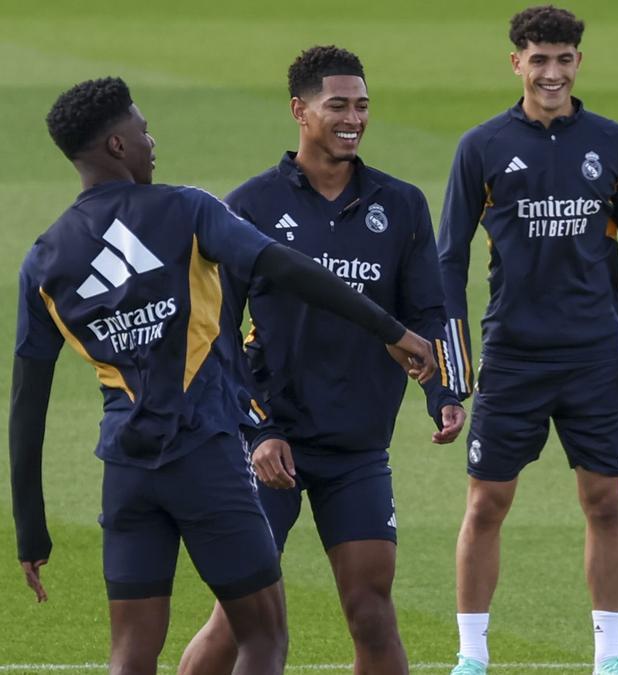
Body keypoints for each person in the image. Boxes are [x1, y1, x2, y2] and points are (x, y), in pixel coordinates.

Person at [9, 77, 435, 675]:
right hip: (205, 457)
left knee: (130, 654)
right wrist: (392, 330)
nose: (151, 140)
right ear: (115, 145)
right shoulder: (186, 210)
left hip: (127, 472)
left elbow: (27, 407)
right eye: (142, 129)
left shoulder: (43, 259)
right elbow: (290, 270)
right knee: (262, 637)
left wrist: (31, 532)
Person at [176, 46, 465, 675]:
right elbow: (216, 336)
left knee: (371, 610)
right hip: (268, 444)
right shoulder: (247, 207)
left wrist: (444, 393)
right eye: (338, 105)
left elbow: (426, 314)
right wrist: (258, 430)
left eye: (362, 105)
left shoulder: (403, 204)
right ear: (299, 111)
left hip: (357, 446)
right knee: (241, 617)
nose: (353, 118)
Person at [437, 6, 618, 674]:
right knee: (486, 502)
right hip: (512, 354)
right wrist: (455, 368)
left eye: (564, 59)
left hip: (593, 355)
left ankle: (611, 656)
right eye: (539, 59)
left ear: (579, 63)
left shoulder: (614, 144)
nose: (552, 72)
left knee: (605, 498)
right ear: (517, 63)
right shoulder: (480, 148)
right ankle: (471, 656)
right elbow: (447, 261)